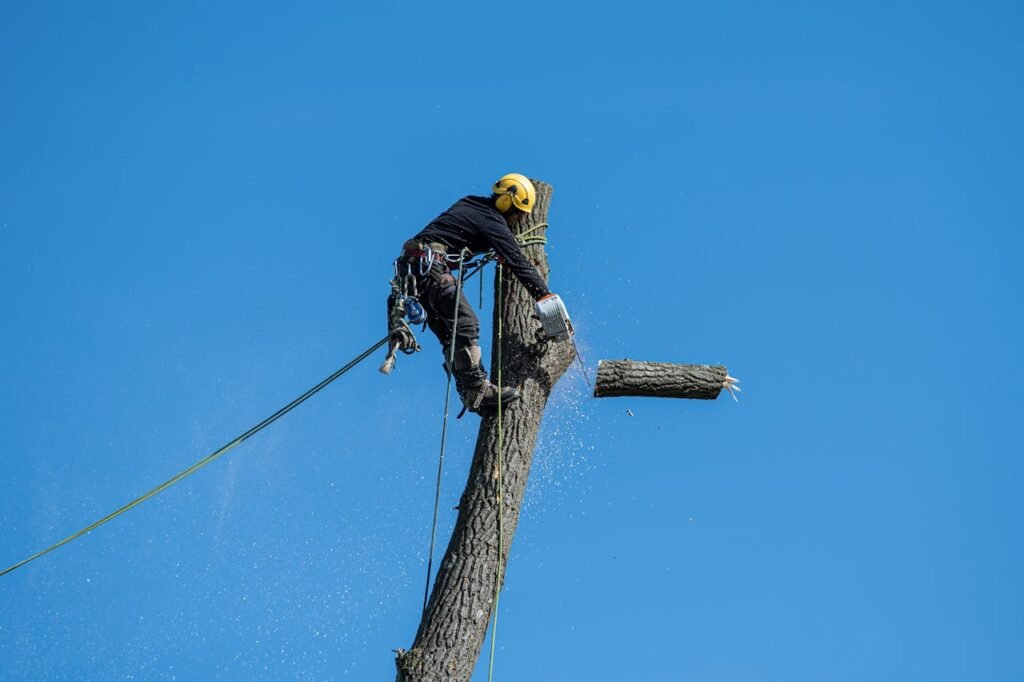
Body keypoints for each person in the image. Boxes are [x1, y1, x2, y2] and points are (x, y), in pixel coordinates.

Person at [385, 173, 567, 414]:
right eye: (518, 214)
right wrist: (545, 297)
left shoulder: (471, 203)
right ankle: (476, 388)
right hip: (429, 270)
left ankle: (471, 393)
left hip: (415, 274)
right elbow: (518, 262)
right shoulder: (492, 220)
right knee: (466, 323)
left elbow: (471, 237)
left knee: (452, 335)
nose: (517, 220)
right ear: (506, 204)